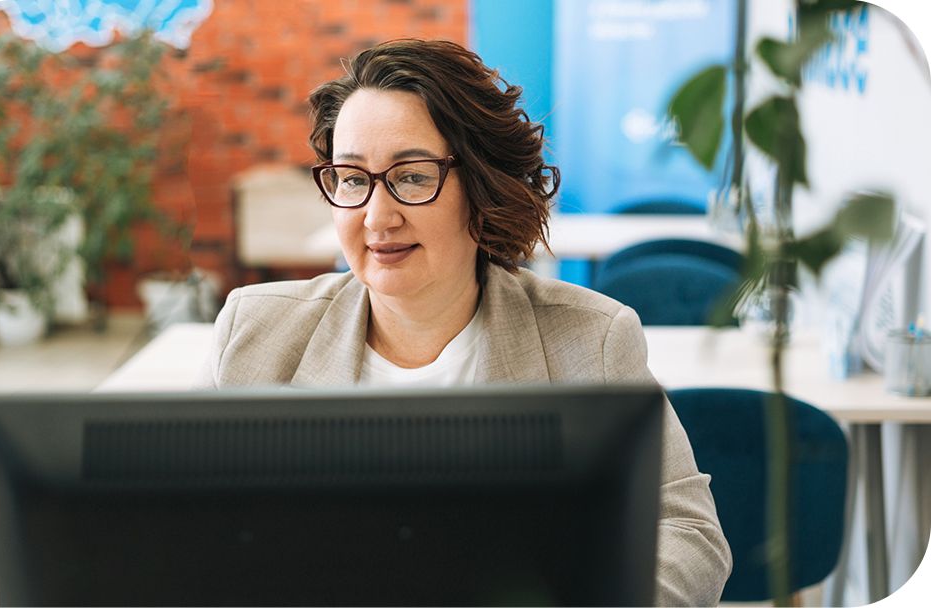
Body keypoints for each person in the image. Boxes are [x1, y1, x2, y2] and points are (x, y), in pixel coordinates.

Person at [196, 38, 731, 605]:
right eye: (352, 179)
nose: (378, 216)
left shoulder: (590, 339)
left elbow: (688, 534)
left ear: (481, 186)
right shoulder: (254, 332)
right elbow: (188, 534)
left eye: (413, 176)